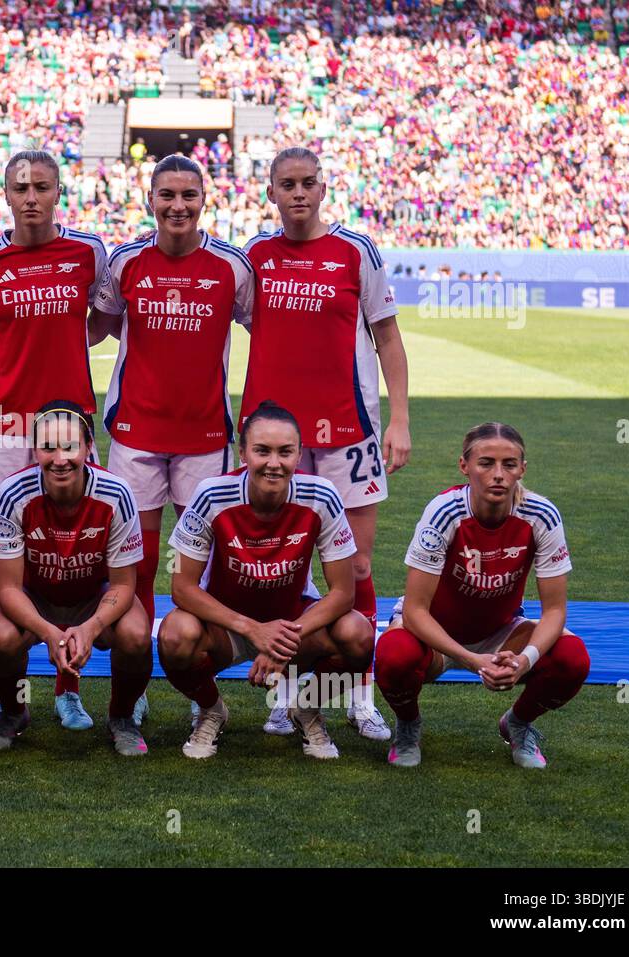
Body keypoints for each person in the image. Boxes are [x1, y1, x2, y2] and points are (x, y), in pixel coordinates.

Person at [238, 146, 410, 741]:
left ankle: (358, 695)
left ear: (323, 187)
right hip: (274, 442)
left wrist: (400, 419)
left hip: (348, 432)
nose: (298, 193)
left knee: (356, 566)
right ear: (271, 193)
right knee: (283, 569)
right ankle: (287, 693)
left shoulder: (355, 251)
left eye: (308, 182)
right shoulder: (254, 256)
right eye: (287, 184)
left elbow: (387, 337)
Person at [0, 149, 111, 732]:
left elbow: (99, 323)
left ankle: (69, 689)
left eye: (41, 187)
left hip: (67, 427)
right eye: (20, 187)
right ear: (5, 194)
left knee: (72, 563)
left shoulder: (88, 253)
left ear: (56, 193)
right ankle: (7, 692)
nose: (30, 197)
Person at [157, 402, 375, 760]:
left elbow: (343, 594)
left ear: (299, 454)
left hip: (294, 626)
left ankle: (306, 709)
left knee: (358, 634)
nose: (274, 463)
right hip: (224, 627)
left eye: (285, 452)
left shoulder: (322, 495)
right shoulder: (211, 494)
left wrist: (283, 639)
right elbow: (182, 588)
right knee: (175, 635)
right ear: (242, 452)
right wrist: (253, 630)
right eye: (262, 451)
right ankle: (211, 710)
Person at [90, 154, 250, 639]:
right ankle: (135, 664)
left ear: (204, 200)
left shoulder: (231, 265)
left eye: (188, 195)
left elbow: (265, 330)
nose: (178, 206)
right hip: (137, 432)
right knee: (135, 556)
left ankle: (202, 663)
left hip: (204, 436)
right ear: (150, 200)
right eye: (167, 195)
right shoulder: (125, 262)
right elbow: (98, 328)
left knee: (204, 557)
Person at [375, 422, 589, 769]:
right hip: (435, 632)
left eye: (509, 464)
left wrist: (526, 660)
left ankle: (518, 723)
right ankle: (409, 725)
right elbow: (415, 611)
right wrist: (472, 661)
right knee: (394, 654)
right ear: (465, 466)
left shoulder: (541, 514)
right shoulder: (445, 512)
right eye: (486, 463)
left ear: (523, 469)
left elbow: (554, 612)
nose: (499, 474)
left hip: (501, 633)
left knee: (572, 657)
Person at [0, 402, 151, 756]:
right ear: (34, 450)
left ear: (89, 446)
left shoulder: (116, 493)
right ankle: (13, 714)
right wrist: (48, 631)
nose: (60, 459)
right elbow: (8, 587)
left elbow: (123, 584)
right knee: (1, 633)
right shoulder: (13, 493)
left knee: (136, 631)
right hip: (35, 597)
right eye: (48, 447)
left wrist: (90, 627)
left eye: (70, 446)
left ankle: (121, 718)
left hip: (93, 597)